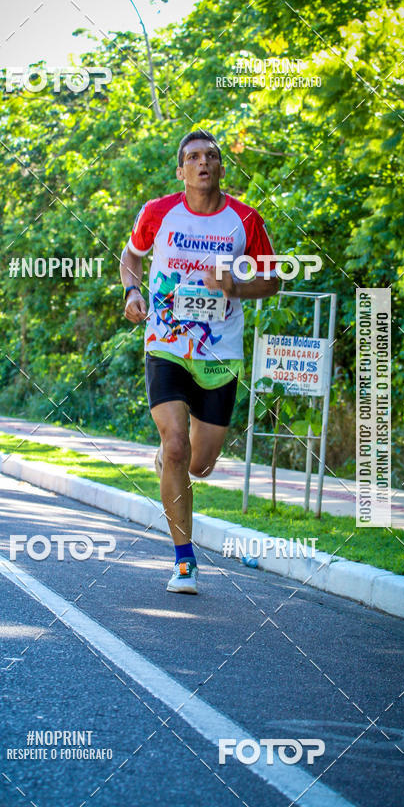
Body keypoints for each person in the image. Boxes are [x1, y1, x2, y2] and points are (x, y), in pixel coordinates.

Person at [120, 130, 279, 594]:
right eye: (193, 157)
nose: (202, 163)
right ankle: (184, 562)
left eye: (211, 156)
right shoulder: (157, 213)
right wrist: (132, 291)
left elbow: (272, 282)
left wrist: (234, 286)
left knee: (200, 463)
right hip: (166, 345)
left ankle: (173, 462)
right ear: (181, 171)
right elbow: (131, 256)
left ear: (221, 168)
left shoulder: (245, 219)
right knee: (175, 445)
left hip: (219, 353)